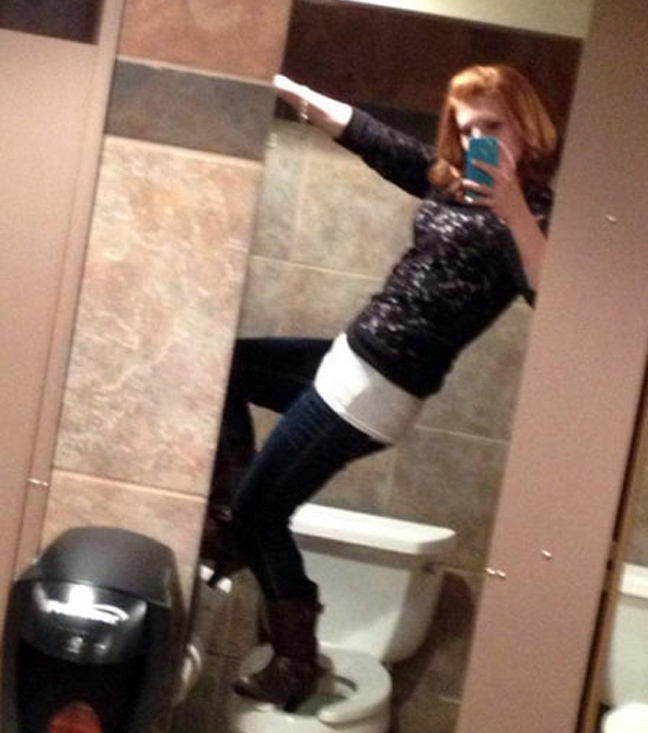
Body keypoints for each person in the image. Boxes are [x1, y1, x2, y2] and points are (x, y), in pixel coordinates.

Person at [204, 64, 558, 710]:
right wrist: (291, 91)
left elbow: (551, 293)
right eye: (467, 127)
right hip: (349, 358)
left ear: (526, 125)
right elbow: (375, 140)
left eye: (493, 124)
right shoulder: (453, 185)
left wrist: (511, 209)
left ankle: (294, 657)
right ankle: (229, 524)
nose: (477, 138)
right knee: (223, 365)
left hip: (379, 389)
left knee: (262, 514)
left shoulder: (536, 214)